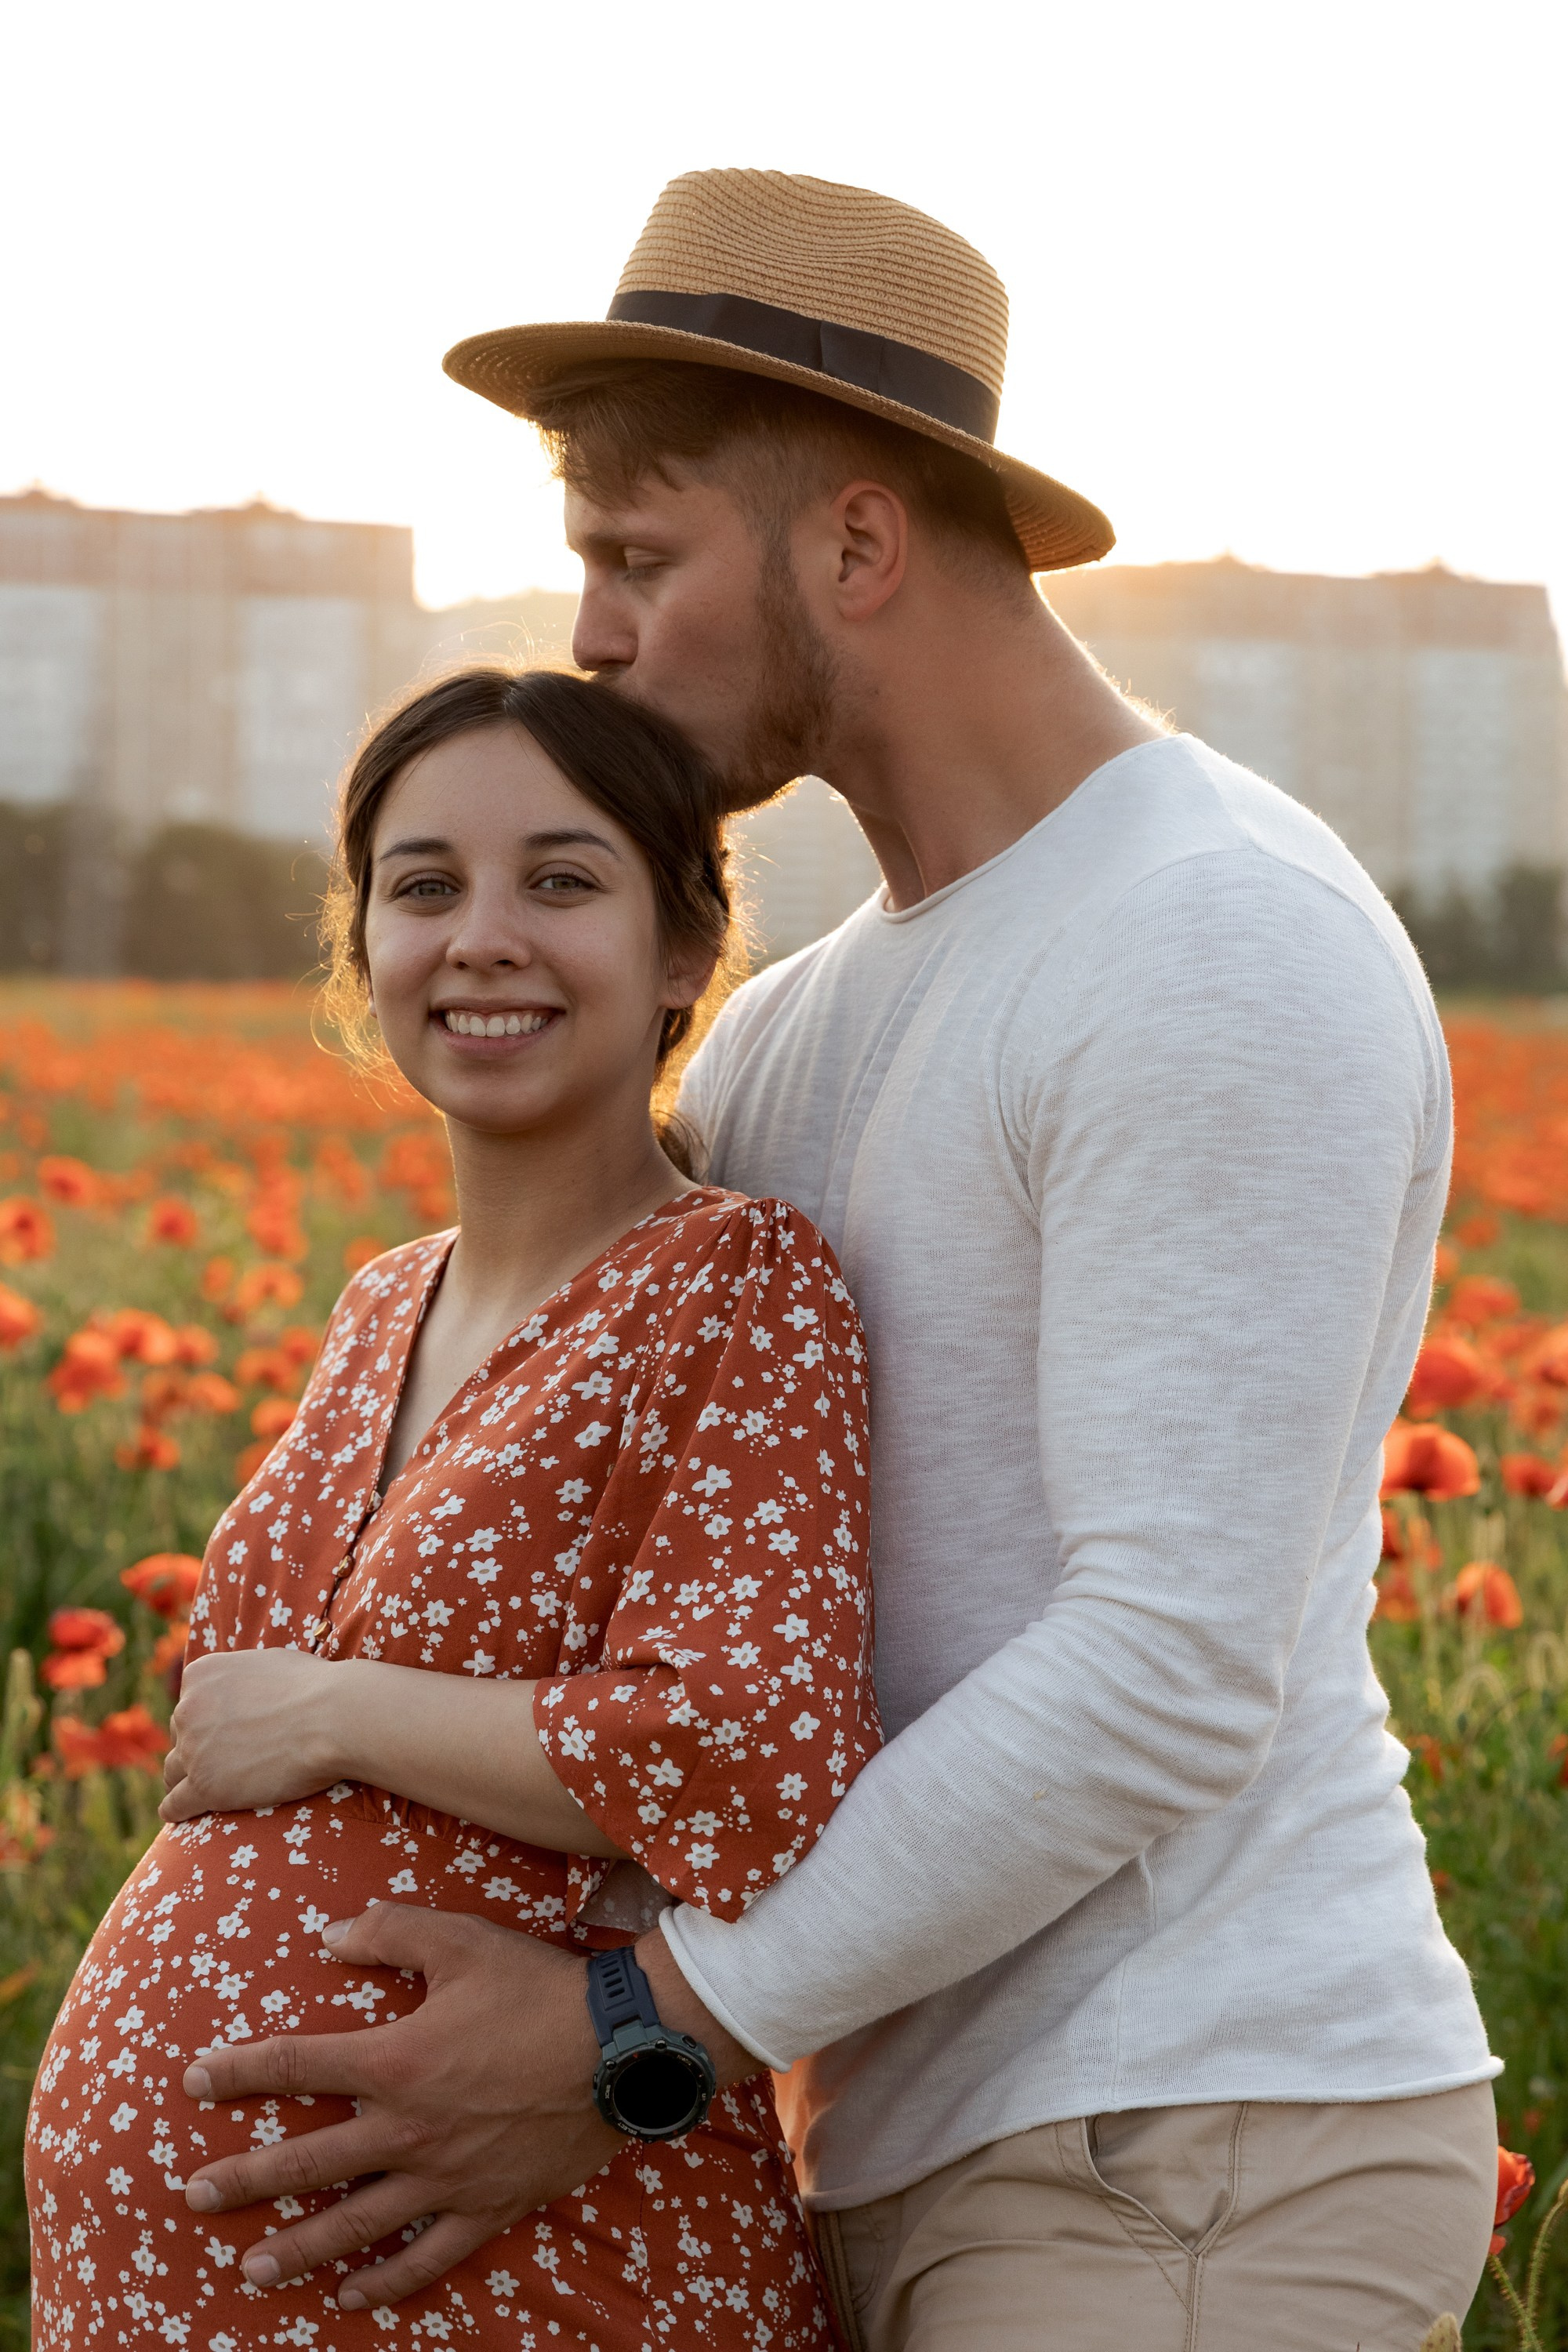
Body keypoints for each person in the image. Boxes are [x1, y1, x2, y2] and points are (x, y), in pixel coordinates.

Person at [160, 172, 1502, 2350]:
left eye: (635, 560)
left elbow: (1166, 1664)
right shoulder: (794, 1024)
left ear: (856, 547)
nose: (585, 631)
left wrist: (628, 2023)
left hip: (1187, 2151)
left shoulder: (1213, 938)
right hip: (877, 2129)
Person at [26, 664, 880, 2351]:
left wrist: (339, 1710)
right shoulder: (376, 1307)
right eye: (425, 887)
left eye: (559, 881)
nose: (483, 934)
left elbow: (744, 1753)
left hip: (536, 2270)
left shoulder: (730, 1284)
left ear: (688, 950)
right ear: (365, 953)